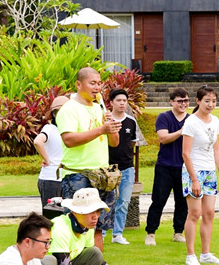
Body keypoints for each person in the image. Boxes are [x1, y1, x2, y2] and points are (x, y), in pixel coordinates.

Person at [56, 67, 120, 250]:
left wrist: (111, 127)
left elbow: (114, 143)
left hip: (102, 176)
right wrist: (101, 129)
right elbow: (68, 140)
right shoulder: (69, 109)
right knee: (77, 224)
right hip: (78, 176)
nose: (97, 87)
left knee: (98, 226)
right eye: (92, 83)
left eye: (99, 83)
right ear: (78, 84)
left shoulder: (100, 107)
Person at [40, 188, 134, 265]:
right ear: (75, 212)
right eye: (90, 212)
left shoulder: (87, 227)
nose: (95, 216)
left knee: (95, 253)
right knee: (49, 263)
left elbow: (98, 263)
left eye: (98, 211)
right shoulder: (60, 228)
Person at [181, 85, 219, 265]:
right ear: (198, 101)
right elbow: (185, 153)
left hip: (209, 172)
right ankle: (190, 254)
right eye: (207, 101)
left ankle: (206, 253)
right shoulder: (191, 122)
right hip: (193, 171)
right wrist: (193, 179)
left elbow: (216, 149)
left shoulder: (215, 121)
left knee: (209, 213)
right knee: (195, 213)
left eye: (214, 101)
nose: (211, 104)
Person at [145, 87, 189, 246]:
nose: (183, 104)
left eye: (186, 100)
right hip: (165, 166)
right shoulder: (164, 117)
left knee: (183, 202)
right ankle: (150, 233)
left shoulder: (191, 119)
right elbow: (163, 138)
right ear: (172, 102)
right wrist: (181, 131)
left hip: (184, 168)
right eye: (179, 101)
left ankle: (178, 232)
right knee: (158, 200)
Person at [104, 88, 141, 245]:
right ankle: (103, 232)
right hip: (107, 168)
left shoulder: (131, 121)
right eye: (118, 100)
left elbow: (132, 142)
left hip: (127, 167)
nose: (122, 103)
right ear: (111, 102)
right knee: (106, 202)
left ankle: (117, 234)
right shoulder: (105, 121)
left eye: (124, 101)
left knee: (124, 202)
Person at [33, 95, 70, 220]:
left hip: (65, 177)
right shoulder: (49, 128)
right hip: (51, 179)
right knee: (51, 217)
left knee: (64, 216)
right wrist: (47, 159)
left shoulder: (70, 131)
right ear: (54, 114)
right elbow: (38, 141)